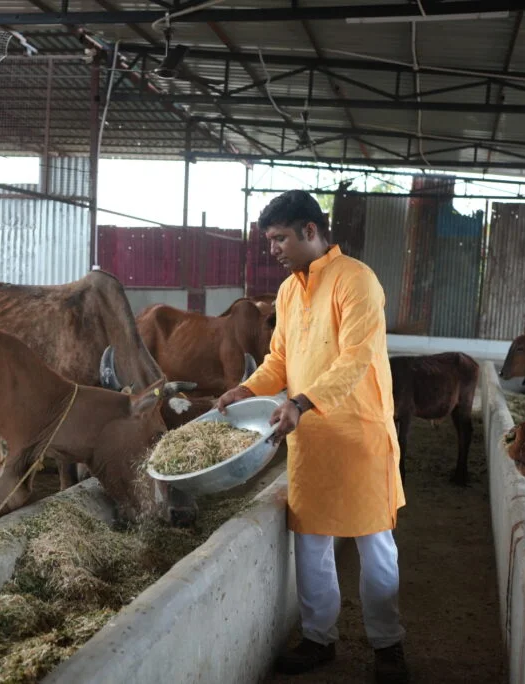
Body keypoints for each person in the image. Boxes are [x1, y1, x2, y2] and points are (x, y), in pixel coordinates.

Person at [216, 190, 408, 683]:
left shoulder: (356, 281)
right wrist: (246, 387)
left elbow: (355, 358)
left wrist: (301, 402)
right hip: (309, 437)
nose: (273, 249)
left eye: (280, 238)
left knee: (374, 543)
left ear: (309, 231)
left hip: (360, 433)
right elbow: (280, 359)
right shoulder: (287, 291)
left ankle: (387, 646)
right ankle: (319, 639)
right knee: (312, 544)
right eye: (269, 241)